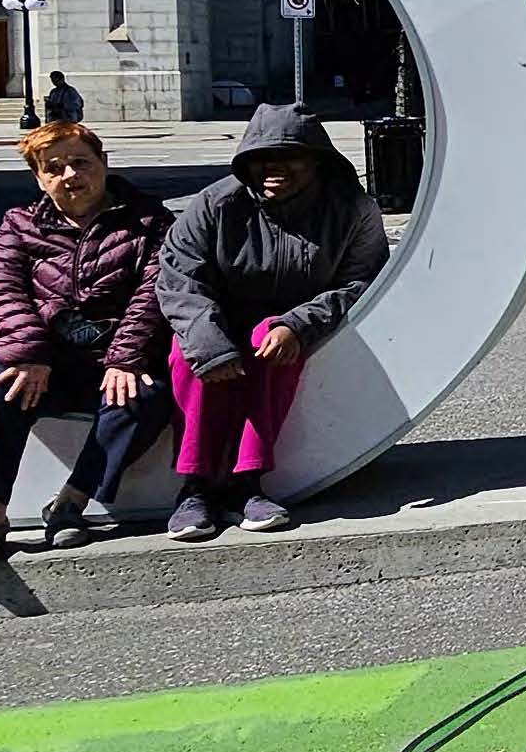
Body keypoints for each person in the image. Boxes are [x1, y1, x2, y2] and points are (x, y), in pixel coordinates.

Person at [151, 102, 392, 539]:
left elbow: (362, 281)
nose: (273, 168)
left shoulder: (352, 210)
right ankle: (196, 486)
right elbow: (178, 275)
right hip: (218, 318)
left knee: (274, 344)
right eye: (261, 157)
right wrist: (209, 341)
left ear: (317, 160)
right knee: (191, 355)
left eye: (290, 156)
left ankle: (248, 482)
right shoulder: (215, 204)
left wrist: (298, 323)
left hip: (293, 323)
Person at [0, 122, 172, 566]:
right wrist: (30, 353)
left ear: (104, 164)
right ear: (39, 178)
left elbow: (154, 293)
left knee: (144, 396)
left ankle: (70, 502)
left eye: (81, 162)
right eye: (53, 168)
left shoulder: (150, 221)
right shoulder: (19, 225)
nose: (70, 175)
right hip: (47, 359)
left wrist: (126, 358)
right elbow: (0, 290)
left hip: (113, 356)